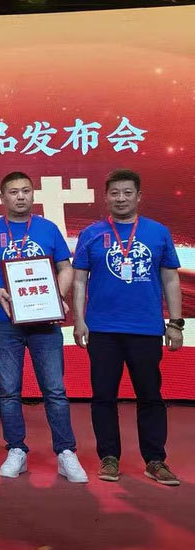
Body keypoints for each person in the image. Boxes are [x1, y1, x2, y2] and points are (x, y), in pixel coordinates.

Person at [0, 172, 87, 483]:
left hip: (45, 321)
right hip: (4, 321)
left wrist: (56, 297)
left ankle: (65, 452)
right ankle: (16, 449)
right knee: (9, 391)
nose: (20, 196)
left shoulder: (48, 229)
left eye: (25, 191)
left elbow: (65, 267)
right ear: (2, 198)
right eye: (13, 192)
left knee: (55, 390)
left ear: (33, 195)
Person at [73, 169, 183, 486]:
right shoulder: (91, 233)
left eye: (127, 193)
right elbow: (79, 281)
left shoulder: (158, 232)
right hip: (102, 330)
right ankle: (109, 457)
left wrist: (175, 323)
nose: (121, 198)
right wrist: (79, 320)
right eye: (115, 193)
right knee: (103, 397)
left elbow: (170, 279)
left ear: (139, 196)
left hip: (146, 329)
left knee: (150, 396)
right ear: (106, 197)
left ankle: (155, 460)